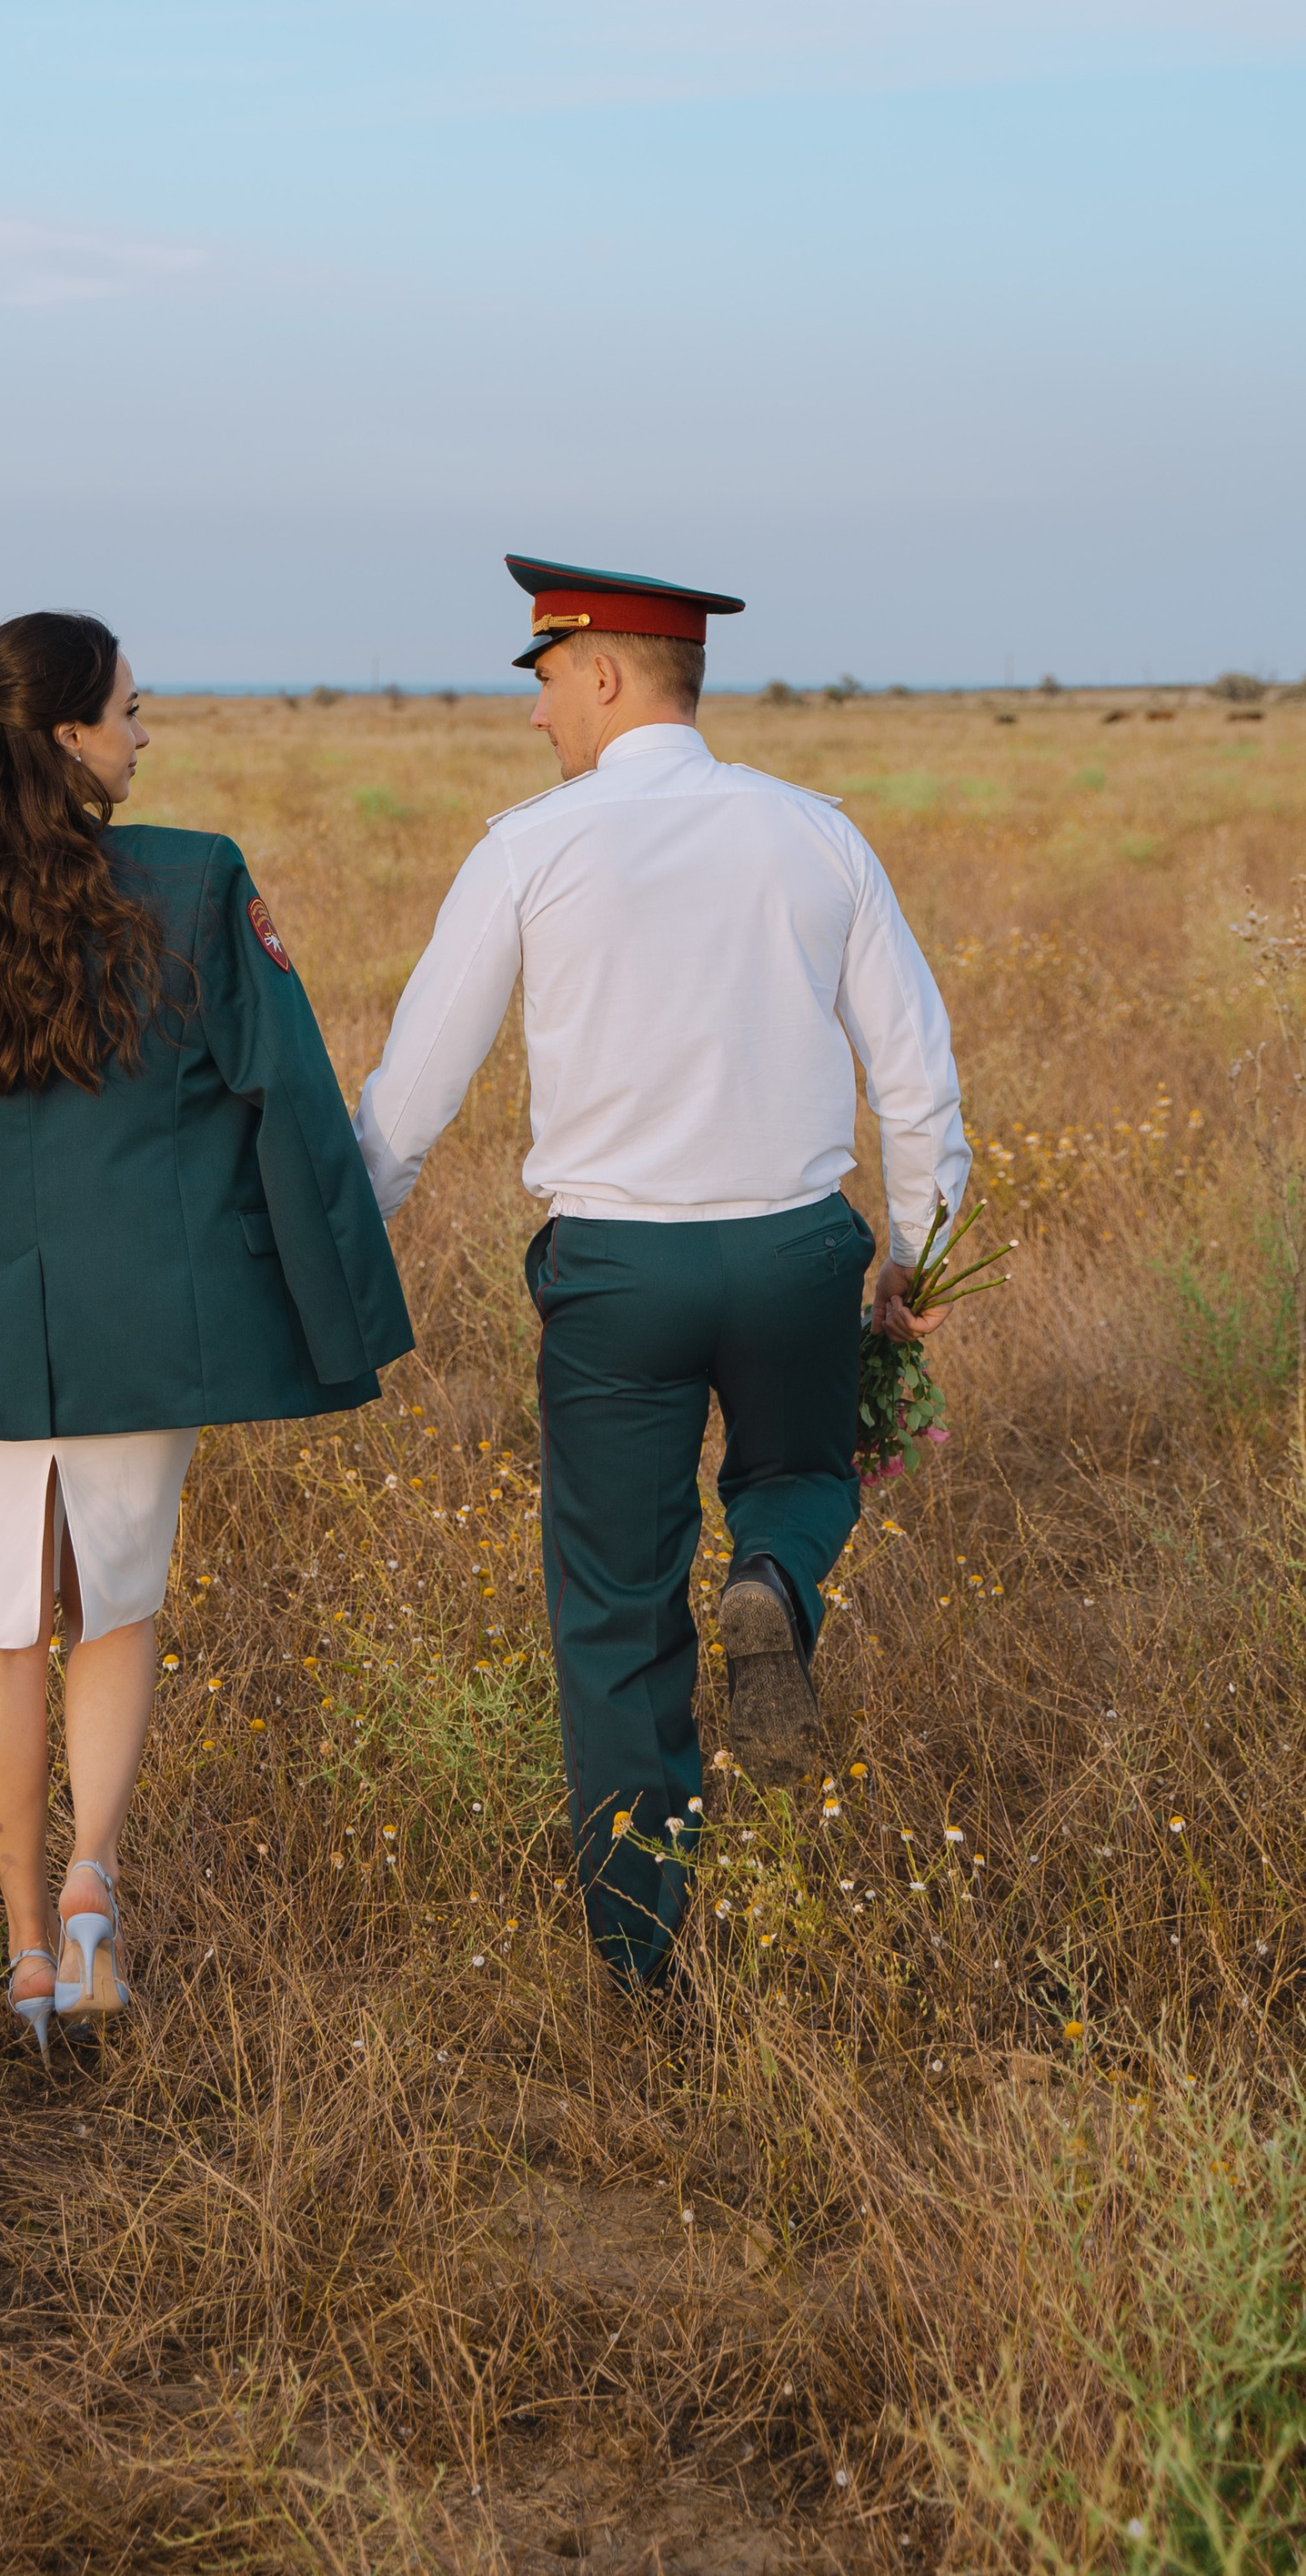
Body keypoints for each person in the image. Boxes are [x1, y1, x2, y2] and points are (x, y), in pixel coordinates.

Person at [0, 611, 411, 2053]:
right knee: (113, 1607)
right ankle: (89, 1895)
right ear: (69, 736)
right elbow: (290, 1098)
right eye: (131, 712)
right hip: (148, 1326)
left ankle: (17, 1952)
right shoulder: (197, 880)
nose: (147, 734)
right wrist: (345, 1310)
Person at [354, 556, 970, 1986]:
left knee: (616, 1608)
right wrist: (918, 1254)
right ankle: (774, 1581)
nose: (537, 716)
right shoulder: (819, 837)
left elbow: (411, 1096)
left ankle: (639, 1955)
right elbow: (915, 1072)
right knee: (806, 1481)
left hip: (617, 1273)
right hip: (795, 1251)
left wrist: (343, 1247)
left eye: (549, 678)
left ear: (611, 675)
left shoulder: (527, 848)